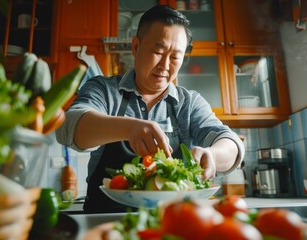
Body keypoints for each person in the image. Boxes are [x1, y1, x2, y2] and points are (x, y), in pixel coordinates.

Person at [56, 5, 245, 213]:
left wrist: (212, 153)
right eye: (158, 52)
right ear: (136, 46)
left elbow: (231, 144)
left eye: (175, 57)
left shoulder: (189, 103)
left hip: (172, 223)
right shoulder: (104, 89)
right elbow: (69, 127)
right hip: (104, 221)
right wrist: (128, 128)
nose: (165, 65)